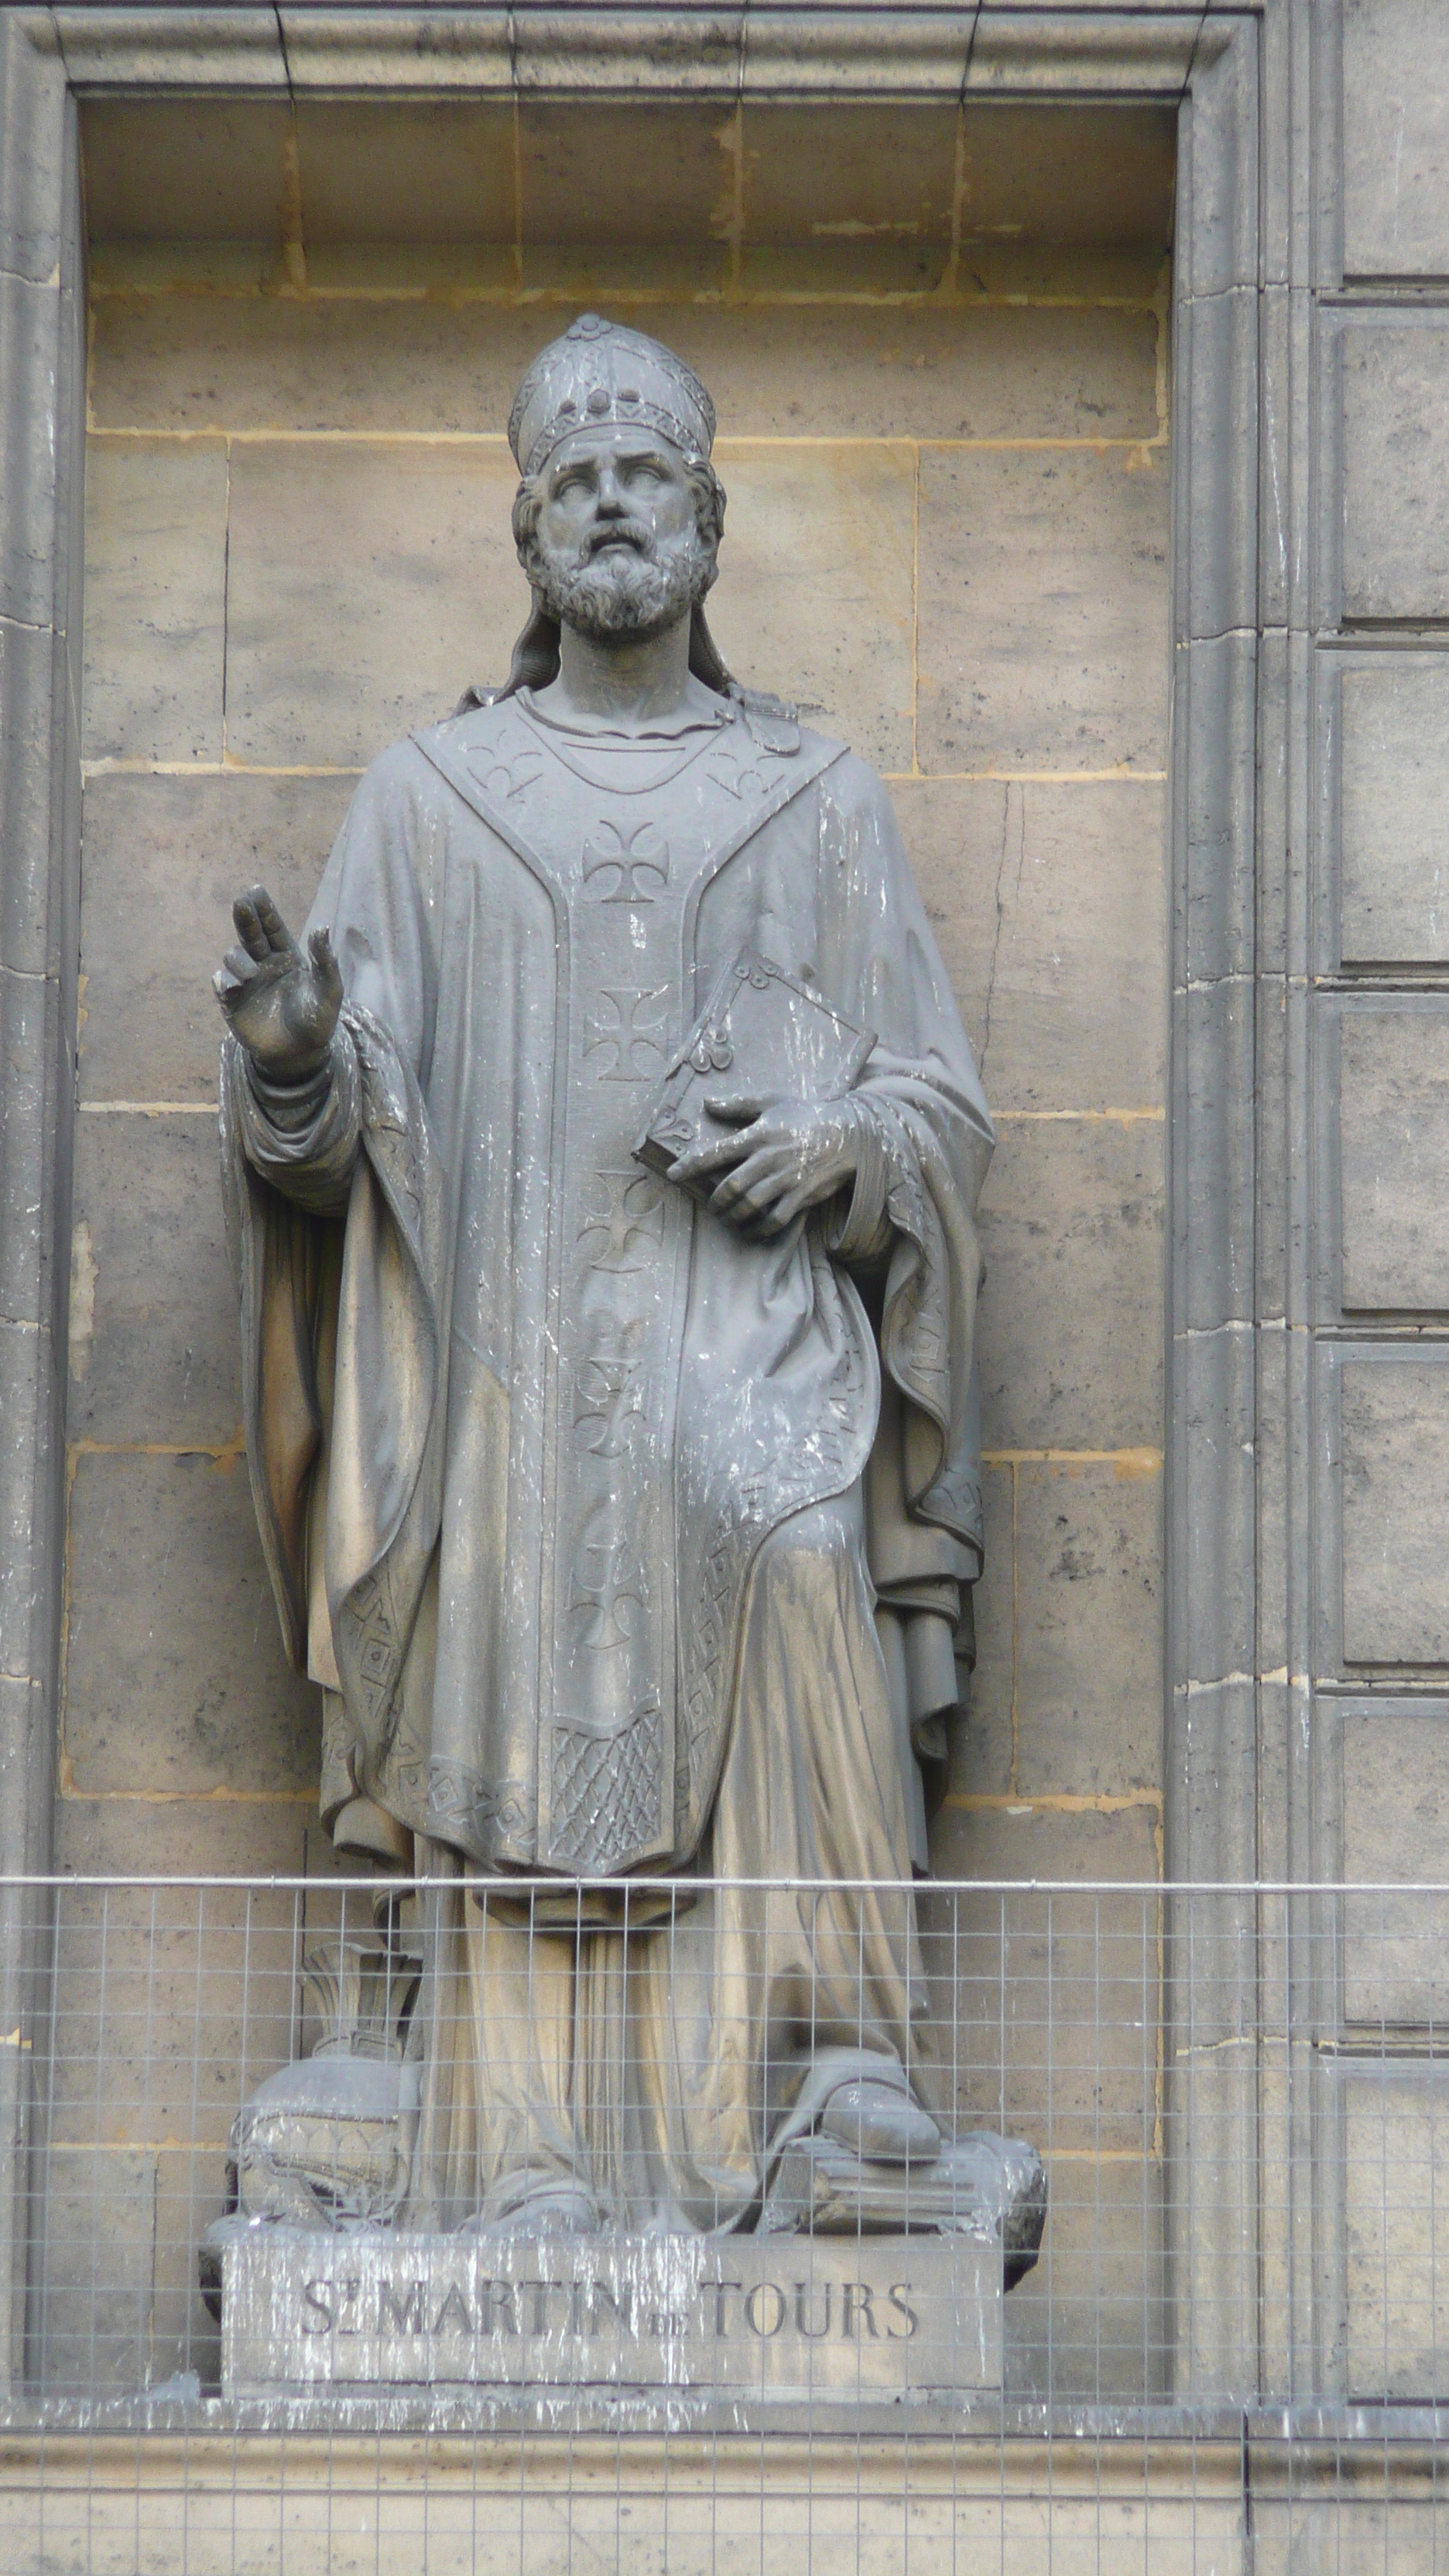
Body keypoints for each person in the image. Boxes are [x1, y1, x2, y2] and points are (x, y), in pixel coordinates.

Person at [215, 315, 995, 2237]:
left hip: (758, 1346)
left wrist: (852, 1149)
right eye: (576, 480)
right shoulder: (428, 797)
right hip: (511, 1364)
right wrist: (300, 1062)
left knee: (801, 1551)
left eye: (649, 476)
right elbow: (322, 1161)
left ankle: (837, 2074)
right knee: (508, 1615)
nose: (615, 500)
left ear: (713, 526)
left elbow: (941, 1104)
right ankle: (525, 2159)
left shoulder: (817, 793)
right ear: (529, 537)